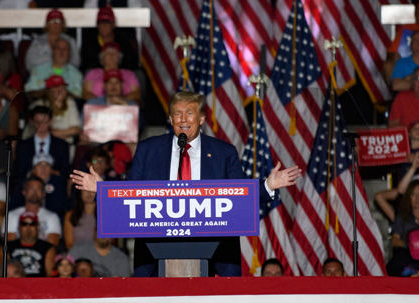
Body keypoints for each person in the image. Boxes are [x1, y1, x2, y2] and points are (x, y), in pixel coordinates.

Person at [71, 91, 301, 277]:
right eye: (177, 114)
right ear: (170, 119)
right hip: (156, 244)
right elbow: (131, 195)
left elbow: (239, 196)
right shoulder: (149, 149)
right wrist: (102, 191)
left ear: (201, 119)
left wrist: (267, 186)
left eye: (189, 113)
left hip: (215, 246)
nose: (183, 119)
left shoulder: (223, 153)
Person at [15, 106, 71, 179]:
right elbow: (19, 170)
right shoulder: (23, 146)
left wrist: (51, 172)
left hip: (55, 185)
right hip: (29, 184)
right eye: (37, 122)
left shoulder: (62, 145)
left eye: (44, 122)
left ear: (50, 122)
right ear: (31, 121)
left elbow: (64, 170)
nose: (41, 125)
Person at [5, 176, 62, 246]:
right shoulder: (12, 215)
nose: (35, 192)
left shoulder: (52, 217)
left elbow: (52, 245)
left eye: (38, 189)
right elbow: (9, 245)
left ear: (43, 194)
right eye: (31, 188)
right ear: (24, 192)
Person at [80, 6, 139, 72]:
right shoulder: (89, 43)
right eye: (102, 22)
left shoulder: (123, 41)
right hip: (98, 76)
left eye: (107, 22)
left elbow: (131, 63)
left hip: (120, 76)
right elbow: (87, 65)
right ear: (97, 25)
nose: (104, 25)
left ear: (113, 24)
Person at [30, 75, 84, 143]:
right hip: (46, 143)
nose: (61, 90)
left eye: (63, 87)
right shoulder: (39, 104)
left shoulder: (70, 102)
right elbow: (41, 130)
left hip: (68, 143)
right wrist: (68, 132)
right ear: (49, 90)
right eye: (57, 87)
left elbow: (76, 130)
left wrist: (54, 132)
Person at [4, 211, 55, 277]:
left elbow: (50, 275)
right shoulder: (8, 246)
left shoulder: (47, 248)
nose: (28, 227)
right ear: (19, 226)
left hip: (38, 284)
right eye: (24, 224)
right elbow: (0, 274)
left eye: (32, 224)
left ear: (37, 226)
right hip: (14, 284)